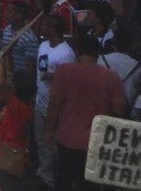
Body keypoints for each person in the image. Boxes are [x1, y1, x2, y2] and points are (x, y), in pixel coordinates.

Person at [46, 36, 127, 191]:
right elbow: (119, 111)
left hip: (67, 137)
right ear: (98, 52)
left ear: (77, 51)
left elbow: (54, 105)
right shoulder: (112, 78)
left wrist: (49, 130)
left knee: (64, 180)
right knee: (89, 185)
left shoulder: (64, 71)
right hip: (96, 141)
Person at [34, 14, 76, 189]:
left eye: (44, 25)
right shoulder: (43, 45)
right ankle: (45, 176)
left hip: (56, 106)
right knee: (41, 141)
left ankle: (59, 178)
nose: (41, 26)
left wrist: (54, 76)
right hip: (39, 100)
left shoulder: (66, 53)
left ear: (51, 29)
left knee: (55, 144)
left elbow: (71, 80)